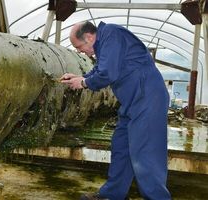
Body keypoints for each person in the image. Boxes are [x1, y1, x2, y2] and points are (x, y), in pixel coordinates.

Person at [60, 21, 171, 200]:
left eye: (79, 47)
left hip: (147, 98)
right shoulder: (105, 44)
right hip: (131, 102)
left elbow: (107, 73)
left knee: (145, 153)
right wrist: (81, 77)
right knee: (121, 146)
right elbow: (100, 69)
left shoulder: (111, 33)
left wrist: (83, 83)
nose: (80, 52)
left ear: (89, 37)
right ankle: (112, 195)